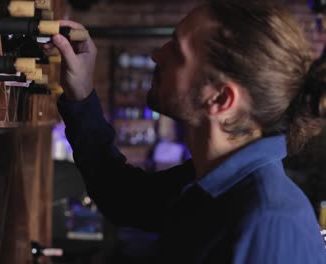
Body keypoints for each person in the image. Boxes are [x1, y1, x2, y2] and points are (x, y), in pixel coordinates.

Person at [45, 0, 326, 262]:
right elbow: (122, 197)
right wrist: (81, 94)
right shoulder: (213, 180)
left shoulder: (269, 224)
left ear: (219, 100)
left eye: (177, 52)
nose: (157, 54)